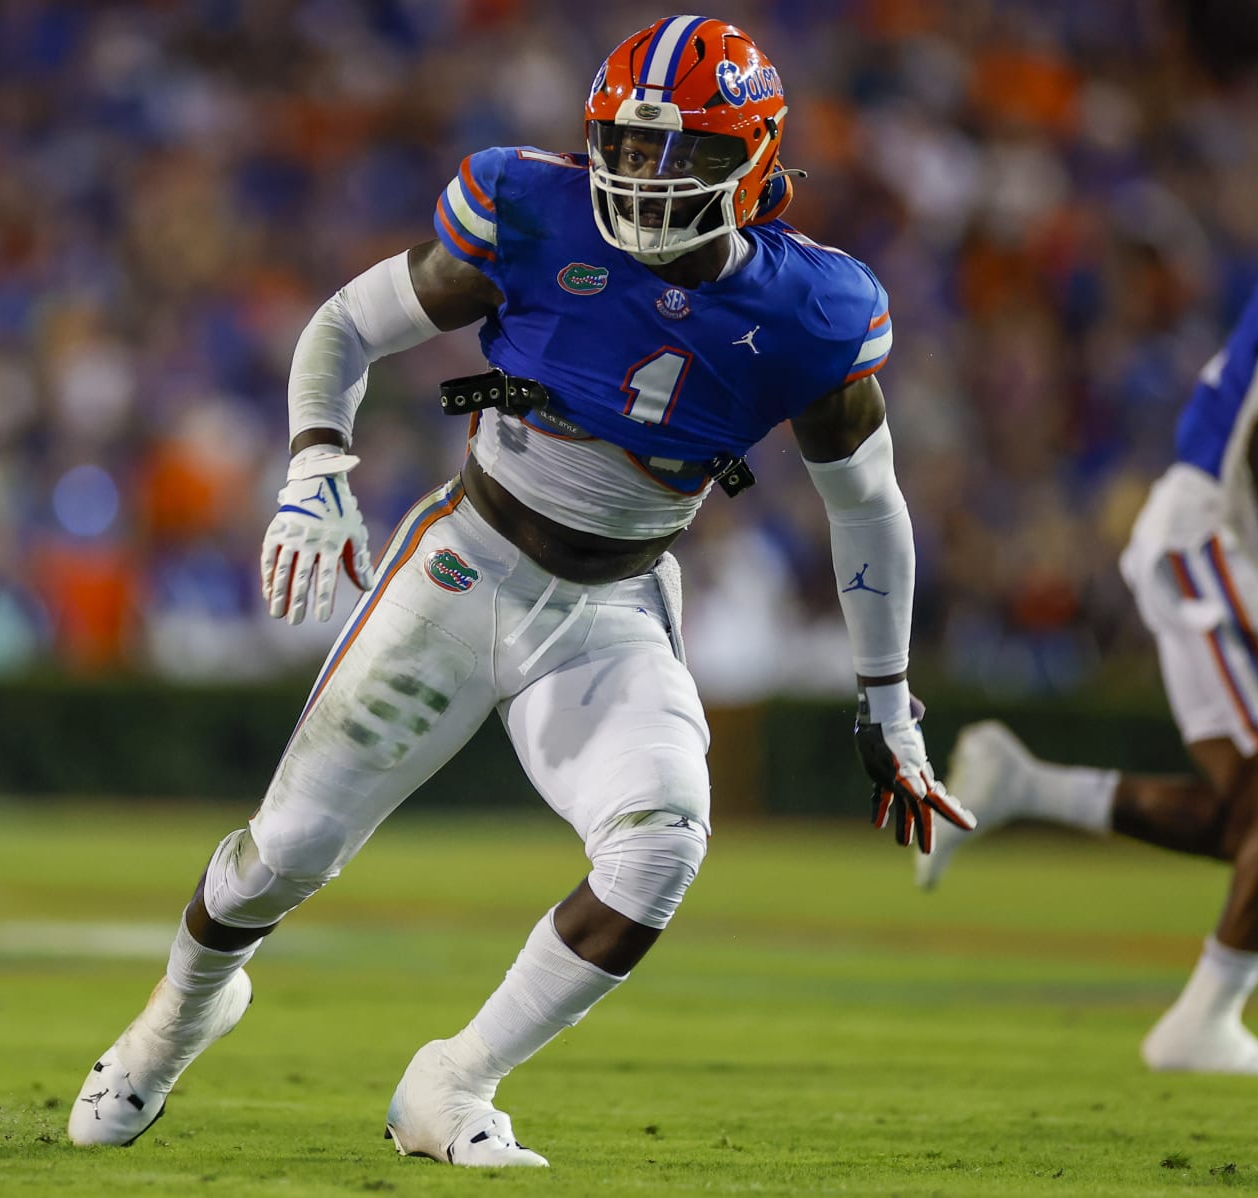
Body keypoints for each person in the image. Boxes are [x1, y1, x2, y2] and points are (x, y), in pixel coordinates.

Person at [68, 15, 973, 1164]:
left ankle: (449, 1084)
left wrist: (888, 703)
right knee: (281, 855)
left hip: (610, 612)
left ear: (756, 160)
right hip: (463, 569)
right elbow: (346, 326)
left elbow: (868, 508)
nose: (646, 178)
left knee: (659, 844)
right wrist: (315, 466)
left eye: (681, 151)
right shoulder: (528, 209)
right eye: (628, 146)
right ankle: (173, 1020)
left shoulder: (813, 309)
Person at [920, 95, 1258, 1080]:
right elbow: (1253, 486)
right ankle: (1202, 1021)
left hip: (1250, 540)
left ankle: (1026, 784)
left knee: (1257, 821)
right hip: (1220, 538)